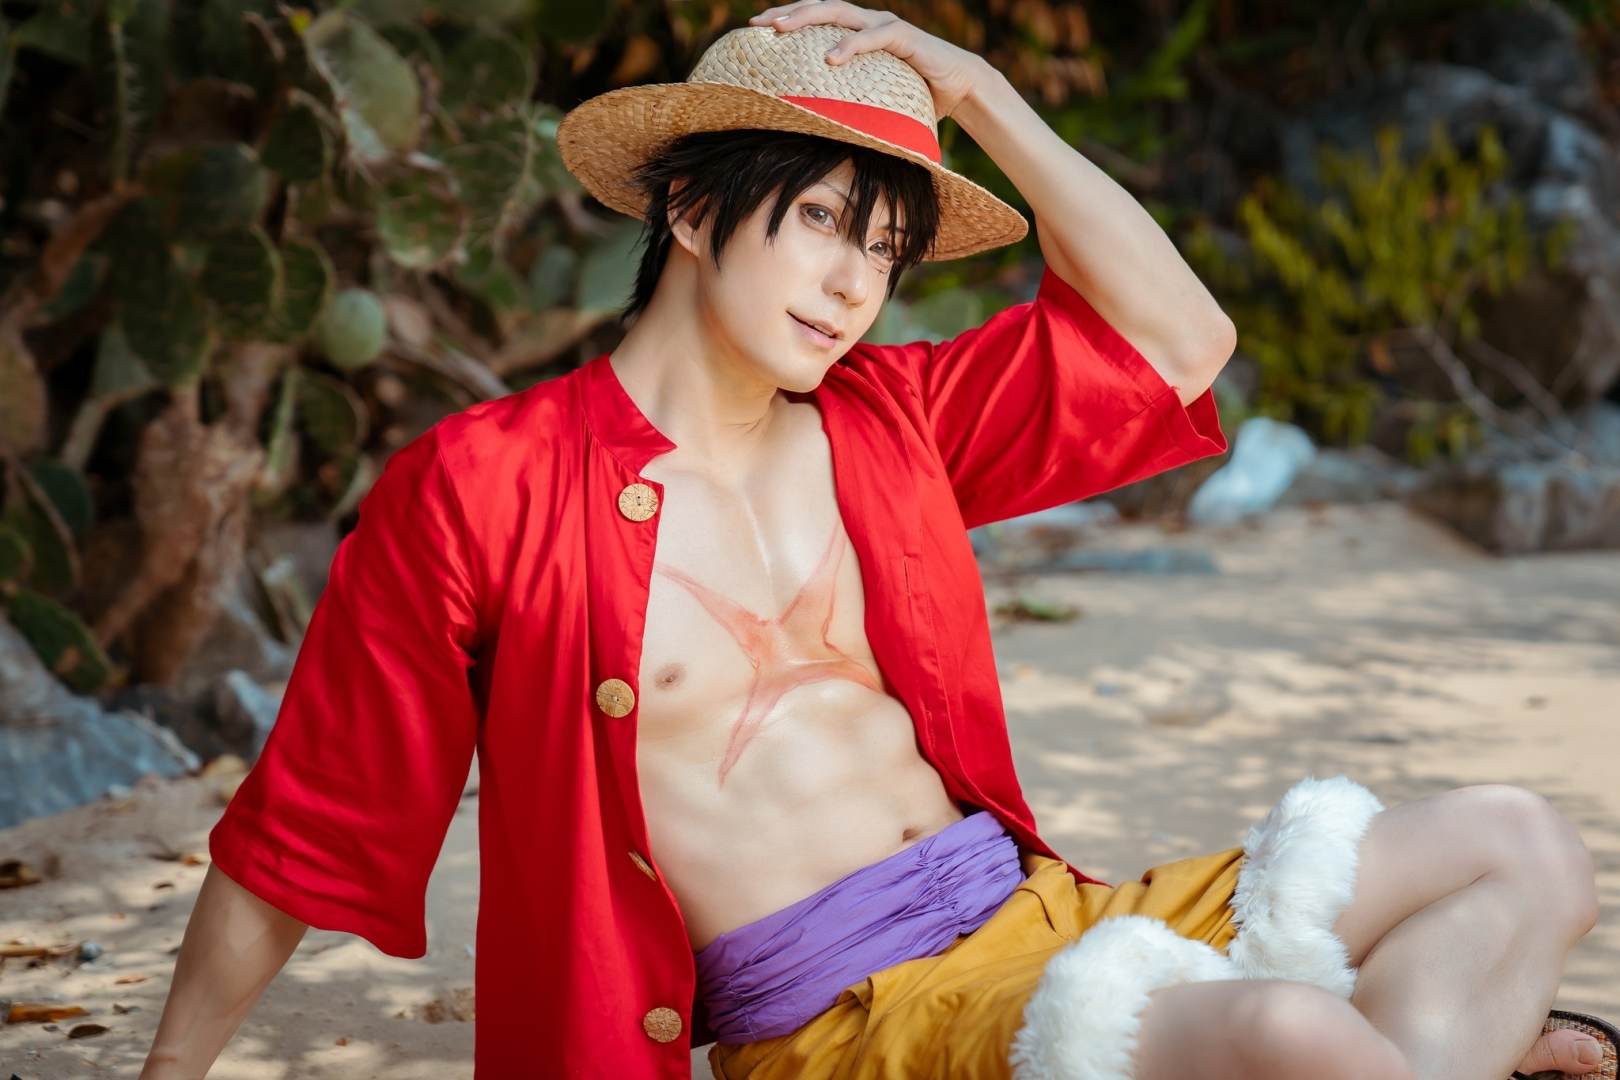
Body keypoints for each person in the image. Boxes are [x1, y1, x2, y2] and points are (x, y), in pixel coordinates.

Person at [141, 3, 1611, 1078]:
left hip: (1051, 918)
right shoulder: (487, 485)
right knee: (1292, 1035)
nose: (855, 284)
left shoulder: (886, 417)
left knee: (1525, 847)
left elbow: (1183, 341)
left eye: (888, 250)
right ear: (691, 207)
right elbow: (302, 833)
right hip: (858, 1024)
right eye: (823, 220)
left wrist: (982, 94)